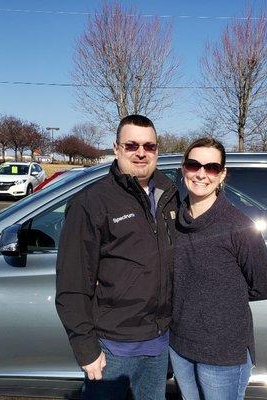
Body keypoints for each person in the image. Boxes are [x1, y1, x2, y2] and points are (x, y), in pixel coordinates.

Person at [55, 114, 179, 400]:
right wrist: (86, 348)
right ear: (116, 148)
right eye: (131, 145)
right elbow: (72, 283)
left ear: (157, 150)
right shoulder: (92, 202)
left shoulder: (169, 195)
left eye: (149, 146)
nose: (140, 153)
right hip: (113, 347)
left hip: (158, 345)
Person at [170, 137, 267, 400]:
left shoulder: (239, 227)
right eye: (194, 164)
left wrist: (218, 298)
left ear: (222, 174)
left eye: (212, 167)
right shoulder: (172, 221)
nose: (201, 174)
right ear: (184, 168)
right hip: (180, 343)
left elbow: (263, 287)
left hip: (223, 350)